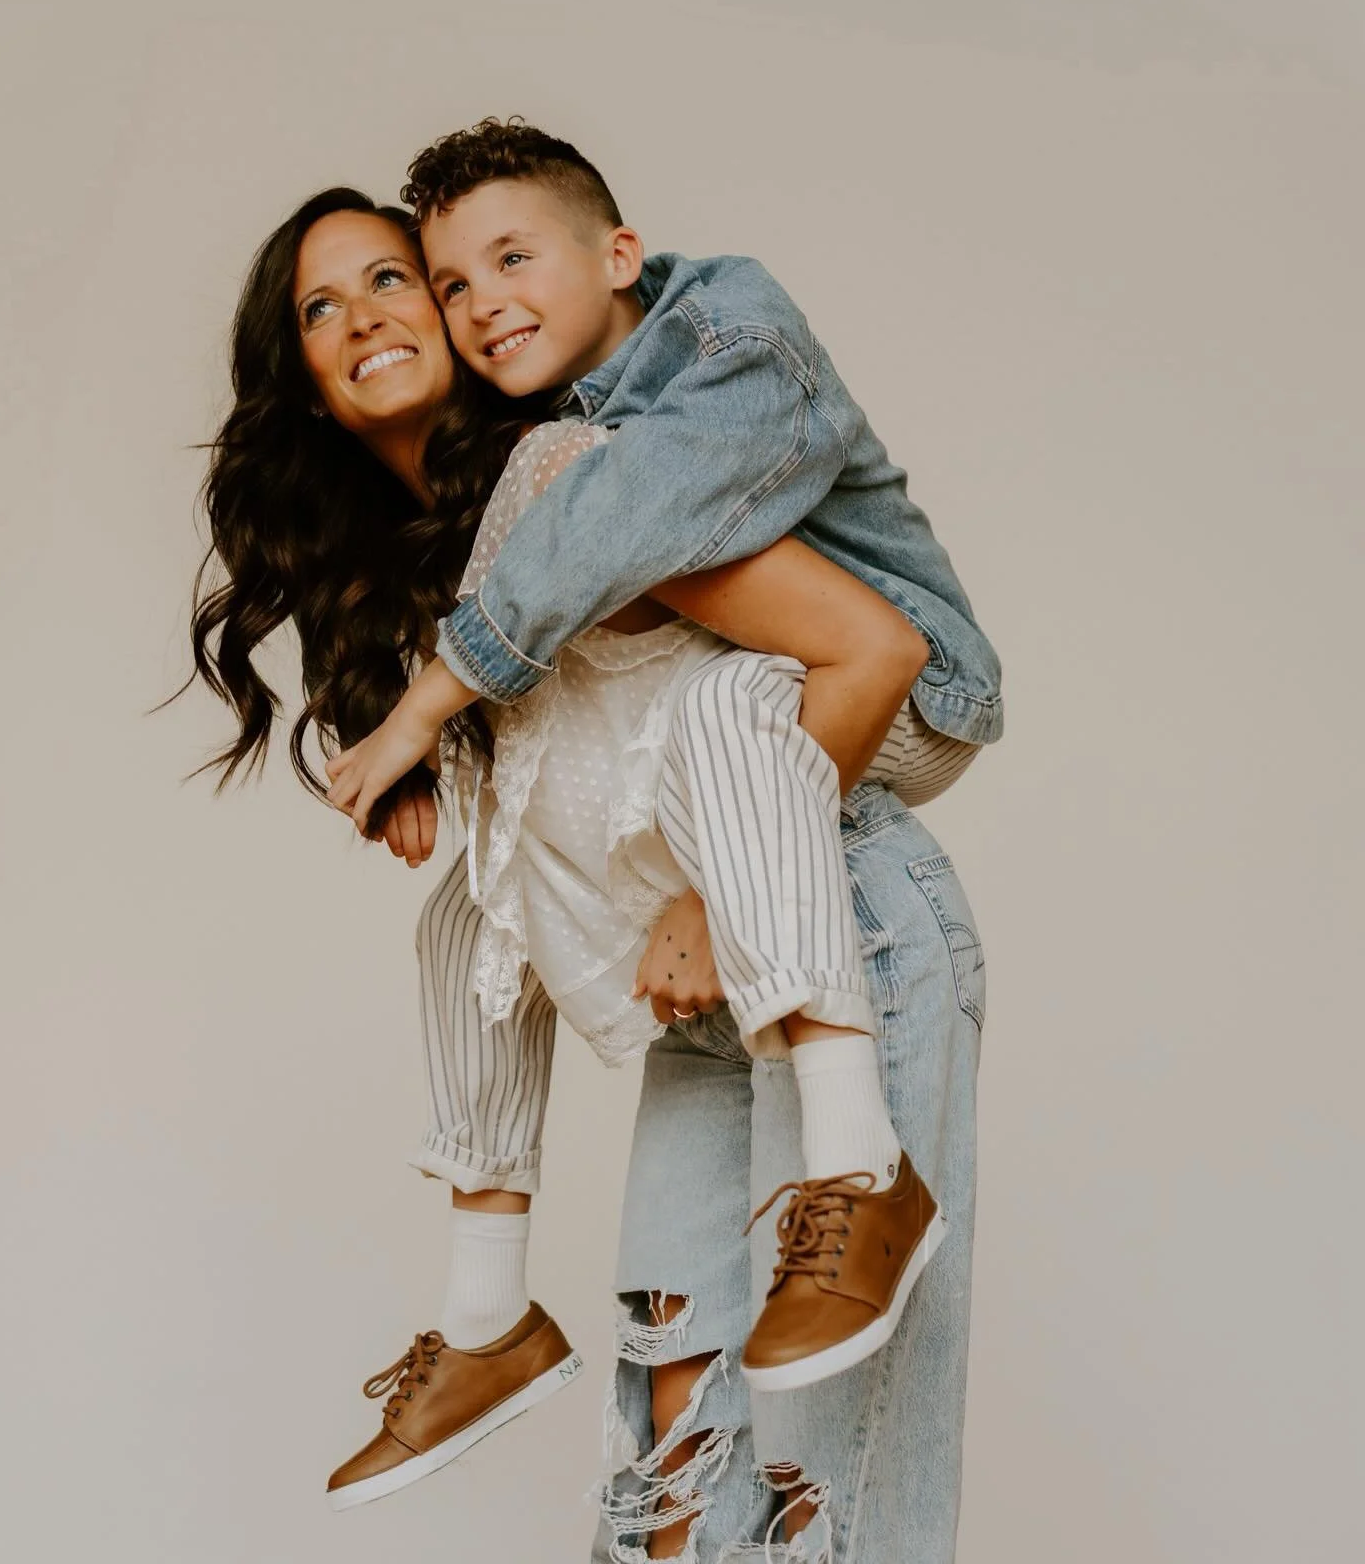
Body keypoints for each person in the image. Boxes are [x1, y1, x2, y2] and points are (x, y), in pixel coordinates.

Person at [322, 119, 999, 1557]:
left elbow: (874, 655)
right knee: (677, 1459)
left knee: (827, 1483)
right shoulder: (516, 483)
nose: (450, 306)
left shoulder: (679, 398)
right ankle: (486, 1313)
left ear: (615, 255)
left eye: (497, 263)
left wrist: (436, 706)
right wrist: (442, 756)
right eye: (435, 284)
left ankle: (862, 1173)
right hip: (696, 939)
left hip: (834, 869)